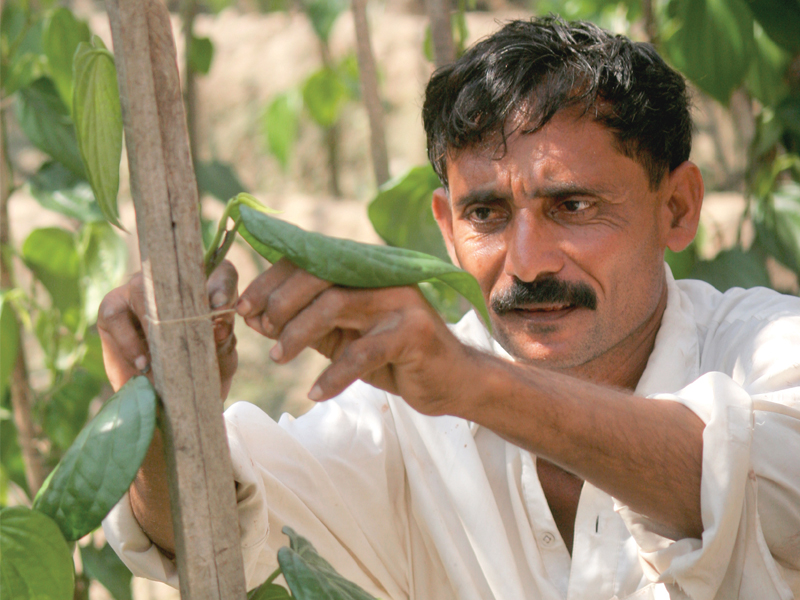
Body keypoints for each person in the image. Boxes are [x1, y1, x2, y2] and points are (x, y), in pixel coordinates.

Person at [100, 16, 800, 599]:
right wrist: (159, 407)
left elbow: (757, 486)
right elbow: (199, 527)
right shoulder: (400, 424)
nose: (527, 264)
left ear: (677, 208)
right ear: (445, 224)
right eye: (487, 214)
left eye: (573, 206)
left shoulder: (768, 347)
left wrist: (473, 384)